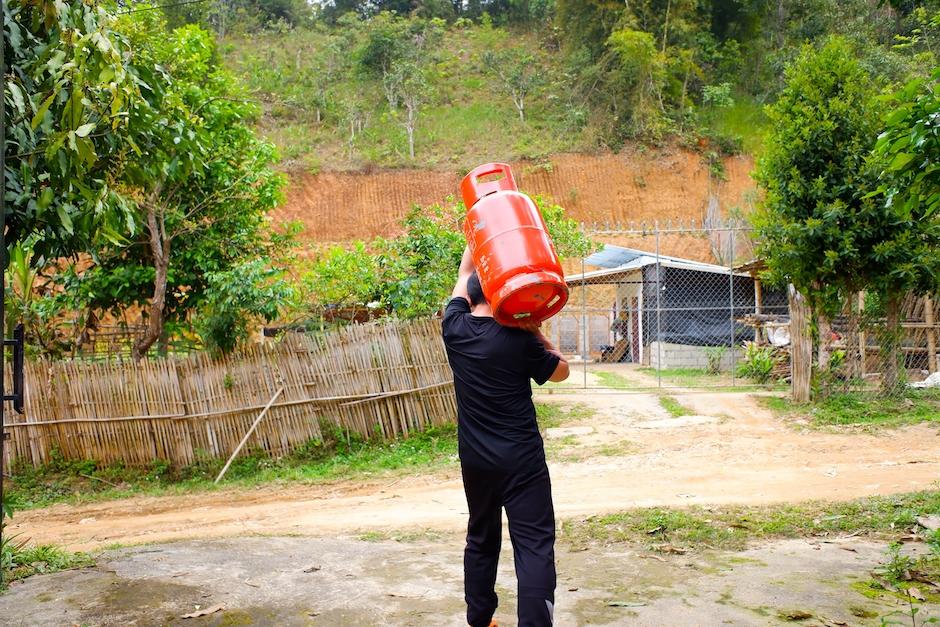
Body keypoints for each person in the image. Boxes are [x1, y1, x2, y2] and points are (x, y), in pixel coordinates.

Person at [442, 246, 570, 627]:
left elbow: (463, 277)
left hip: (476, 461)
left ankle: (480, 619)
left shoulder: (455, 328)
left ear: (472, 295)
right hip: (522, 462)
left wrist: (475, 238)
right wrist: (537, 331)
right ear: (498, 295)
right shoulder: (519, 339)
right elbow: (562, 372)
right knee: (533, 545)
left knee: (481, 537)